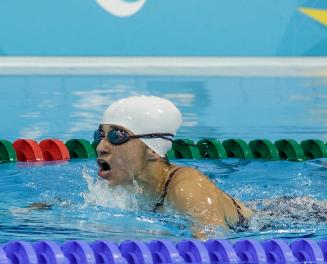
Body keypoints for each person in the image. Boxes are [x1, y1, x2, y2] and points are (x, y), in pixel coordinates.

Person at [95, 95, 253, 238]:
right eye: (100, 136)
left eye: (117, 136)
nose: (100, 147)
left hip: (264, 223)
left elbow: (215, 251)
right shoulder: (127, 187)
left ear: (152, 149)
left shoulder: (188, 190)